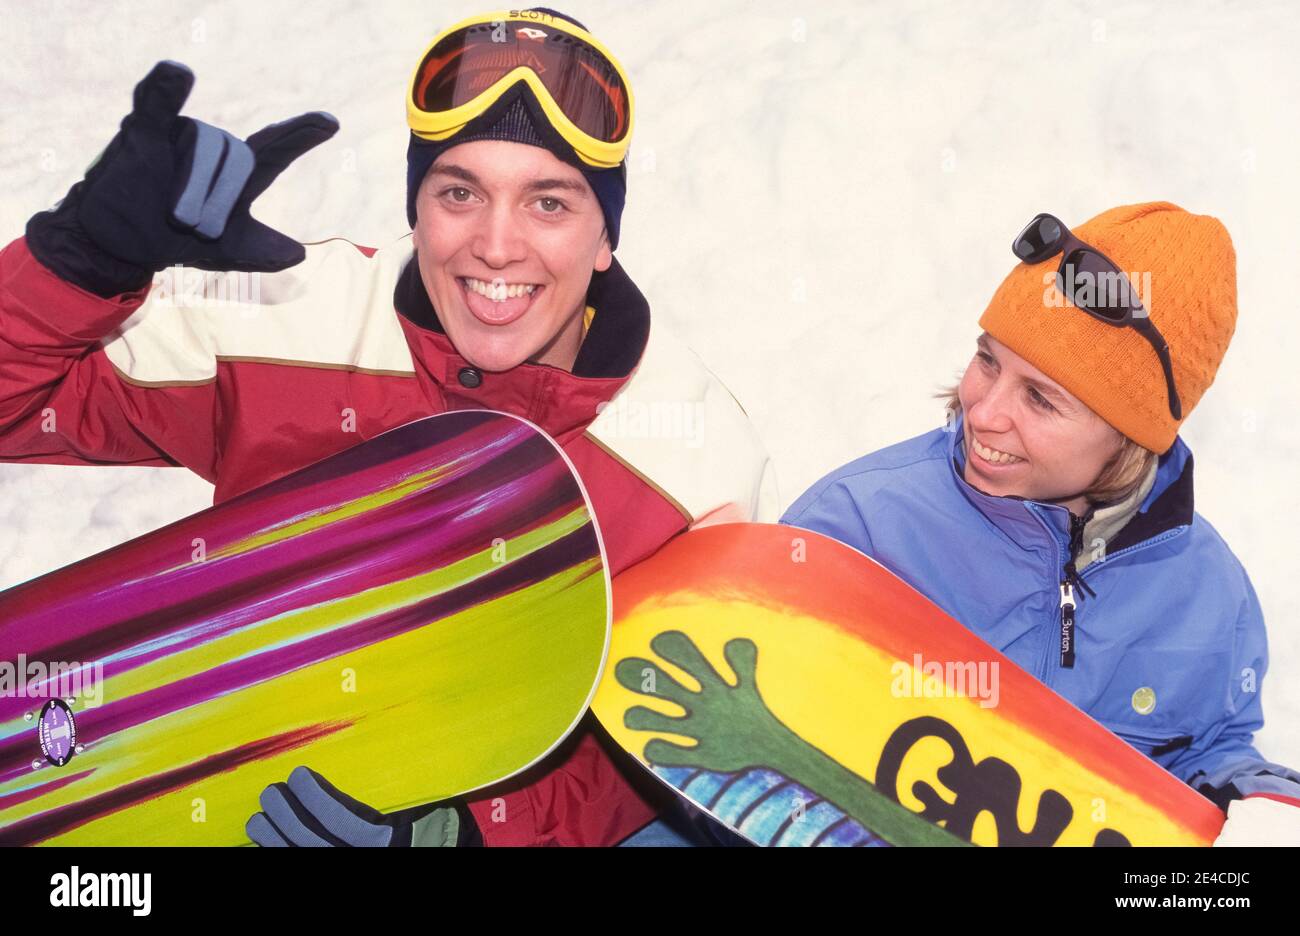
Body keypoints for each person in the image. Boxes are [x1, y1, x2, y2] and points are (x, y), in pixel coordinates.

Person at [0, 8, 776, 846]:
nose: (496, 245)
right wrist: (82, 258)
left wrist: (461, 836)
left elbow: (661, 749)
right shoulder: (291, 318)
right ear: (417, 207)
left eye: (549, 202)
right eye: (459, 193)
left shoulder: (694, 465)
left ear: (604, 239)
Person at [783, 202, 1300, 846]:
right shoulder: (857, 530)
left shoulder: (1207, 593)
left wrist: (1259, 805)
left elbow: (1207, 752)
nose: (984, 411)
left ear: (1130, 437)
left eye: (1040, 398)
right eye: (989, 361)